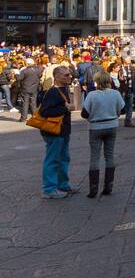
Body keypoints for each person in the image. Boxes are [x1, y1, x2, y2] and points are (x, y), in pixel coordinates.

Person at [82, 69, 125, 197]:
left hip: (95, 127)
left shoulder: (92, 95)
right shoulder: (115, 94)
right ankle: (108, 186)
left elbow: (84, 113)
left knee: (95, 157)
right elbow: (122, 110)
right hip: (111, 125)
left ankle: (93, 188)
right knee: (109, 156)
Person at [39, 64, 76, 199]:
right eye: (66, 75)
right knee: (53, 159)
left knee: (64, 158)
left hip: (63, 130)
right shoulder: (53, 92)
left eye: (70, 74)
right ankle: (49, 189)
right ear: (57, 77)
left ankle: (63, 184)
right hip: (54, 131)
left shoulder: (63, 89)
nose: (70, 76)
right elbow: (45, 111)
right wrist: (66, 109)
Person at [16, 57, 40, 124]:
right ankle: (35, 117)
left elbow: (19, 78)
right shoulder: (38, 70)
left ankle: (23, 118)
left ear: (28, 63)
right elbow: (40, 76)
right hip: (34, 88)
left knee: (25, 103)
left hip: (25, 89)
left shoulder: (24, 71)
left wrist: (16, 74)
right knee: (33, 103)